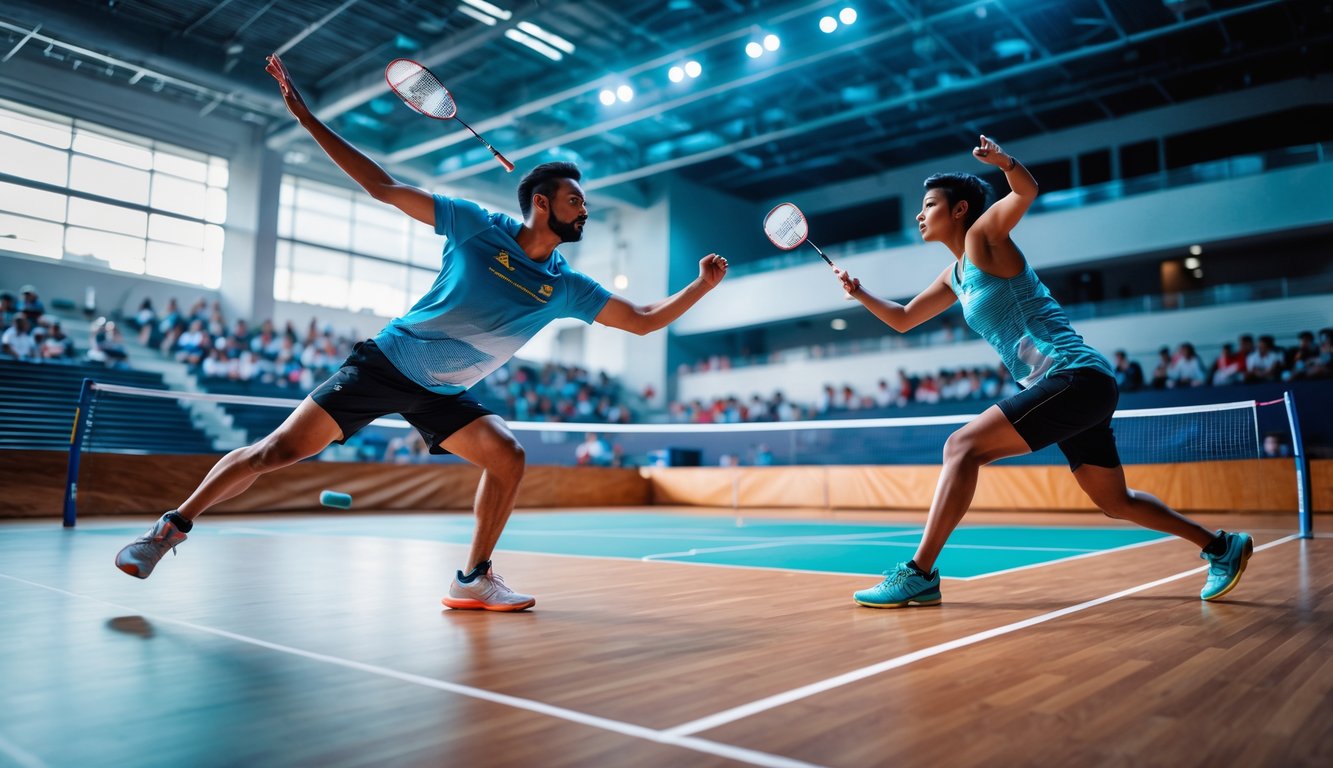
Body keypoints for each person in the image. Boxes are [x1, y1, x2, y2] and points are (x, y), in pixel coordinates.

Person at [113, 54, 730, 613]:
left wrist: (700, 286)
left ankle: (473, 578)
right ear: (541, 203)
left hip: (443, 393)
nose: (585, 210)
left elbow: (643, 321)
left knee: (508, 455)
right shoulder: (475, 225)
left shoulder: (566, 285)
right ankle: (168, 529)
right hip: (386, 363)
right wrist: (305, 117)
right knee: (275, 452)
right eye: (575, 201)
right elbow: (382, 187)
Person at [831, 135, 1252, 608]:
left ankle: (919, 573)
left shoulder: (983, 237)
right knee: (1115, 501)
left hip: (1073, 376)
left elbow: (1026, 191)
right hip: (1076, 388)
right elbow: (905, 318)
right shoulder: (955, 275)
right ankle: (1222, 546)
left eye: (929, 205)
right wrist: (861, 293)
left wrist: (1004, 161)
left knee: (961, 447)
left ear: (960, 210)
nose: (919, 215)